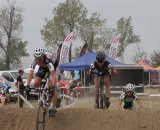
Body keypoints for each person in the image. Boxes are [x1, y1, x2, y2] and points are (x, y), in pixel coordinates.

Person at [26, 48, 58, 116]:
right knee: (36, 82)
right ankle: (43, 95)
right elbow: (30, 73)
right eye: (36, 59)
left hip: (53, 66)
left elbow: (53, 75)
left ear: (43, 57)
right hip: (43, 68)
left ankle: (53, 107)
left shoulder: (48, 61)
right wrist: (27, 85)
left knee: (52, 86)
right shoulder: (34, 62)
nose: (38, 61)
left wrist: (52, 86)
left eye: (40, 59)